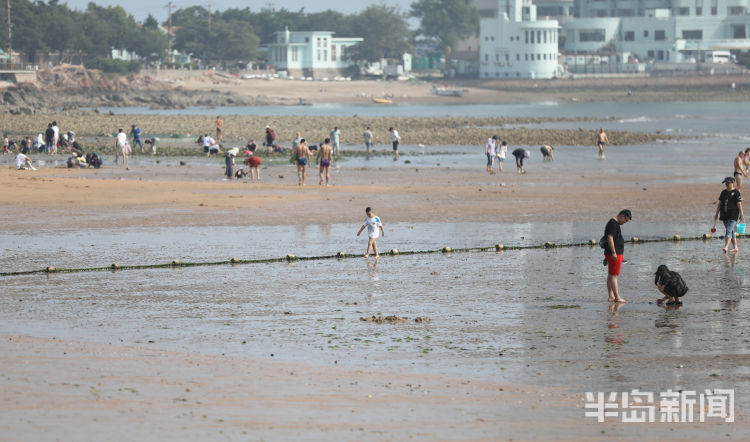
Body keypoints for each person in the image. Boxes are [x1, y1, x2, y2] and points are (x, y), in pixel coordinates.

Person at [603, 209, 632, 303]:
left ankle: (611, 296)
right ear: (622, 216)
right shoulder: (613, 224)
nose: (625, 222)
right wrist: (614, 252)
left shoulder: (613, 223)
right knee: (614, 275)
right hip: (614, 254)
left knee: (611, 275)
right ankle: (617, 297)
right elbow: (609, 238)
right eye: (626, 220)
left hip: (612, 253)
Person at [713, 176, 745, 253]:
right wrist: (716, 213)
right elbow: (720, 204)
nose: (726, 184)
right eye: (725, 183)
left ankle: (726, 247)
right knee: (731, 232)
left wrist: (741, 214)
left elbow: (739, 204)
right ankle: (736, 247)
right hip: (724, 214)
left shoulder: (736, 193)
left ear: (733, 182)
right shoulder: (723, 192)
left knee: (728, 230)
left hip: (733, 215)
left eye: (728, 182)